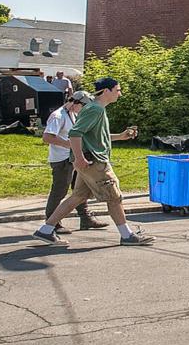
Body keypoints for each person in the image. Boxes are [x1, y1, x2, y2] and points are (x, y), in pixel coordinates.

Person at [32, 78, 146, 245]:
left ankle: (46, 230)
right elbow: (75, 134)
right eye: (118, 90)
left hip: (89, 160)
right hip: (95, 162)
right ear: (106, 91)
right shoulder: (95, 110)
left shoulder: (95, 109)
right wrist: (79, 159)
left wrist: (121, 136)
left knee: (78, 196)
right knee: (114, 197)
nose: (120, 94)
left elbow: (94, 136)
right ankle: (127, 236)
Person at [40, 92, 109, 234]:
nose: (85, 109)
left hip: (74, 158)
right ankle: (53, 223)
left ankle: (85, 219)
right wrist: (68, 144)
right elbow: (47, 137)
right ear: (75, 102)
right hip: (62, 160)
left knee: (80, 191)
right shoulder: (58, 116)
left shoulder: (75, 114)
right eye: (83, 106)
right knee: (59, 191)